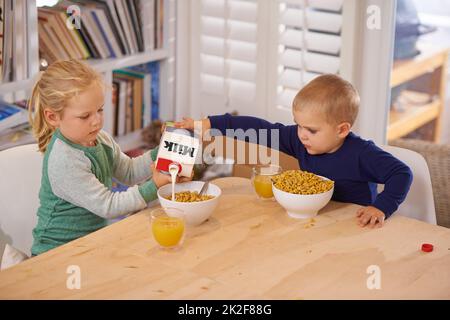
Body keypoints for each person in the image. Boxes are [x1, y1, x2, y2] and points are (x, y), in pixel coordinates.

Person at [175, 74, 413, 228]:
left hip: (352, 225)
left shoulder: (363, 153)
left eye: (311, 129)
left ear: (342, 129)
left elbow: (402, 173)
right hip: (312, 222)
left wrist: (382, 206)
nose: (301, 134)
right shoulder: (300, 140)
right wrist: (211, 124)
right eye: (298, 125)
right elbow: (261, 128)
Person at [28, 59, 189, 255]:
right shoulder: (64, 160)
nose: (96, 121)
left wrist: (163, 150)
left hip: (90, 243)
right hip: (56, 252)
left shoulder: (99, 139)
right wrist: (153, 186)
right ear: (53, 117)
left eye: (100, 110)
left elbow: (128, 172)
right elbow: (108, 205)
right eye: (85, 116)